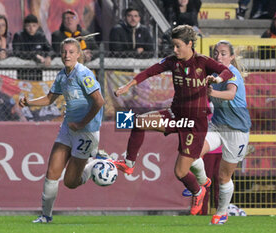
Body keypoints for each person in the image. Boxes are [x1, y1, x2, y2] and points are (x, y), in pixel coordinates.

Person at [113, 25, 233, 216]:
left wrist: (217, 80)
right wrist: (128, 85)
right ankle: (129, 163)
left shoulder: (202, 61)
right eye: (173, 46)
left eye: (178, 46)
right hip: (175, 115)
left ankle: (198, 190)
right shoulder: (172, 62)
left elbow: (227, 71)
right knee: (137, 122)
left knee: (180, 172)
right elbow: (149, 72)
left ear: (189, 44)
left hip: (195, 123)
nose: (175, 50)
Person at [19, 38, 104, 223]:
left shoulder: (84, 74)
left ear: (78, 54)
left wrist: (82, 124)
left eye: (71, 52)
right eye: (64, 52)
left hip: (86, 131)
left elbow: (99, 102)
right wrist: (29, 102)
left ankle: (94, 164)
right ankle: (45, 216)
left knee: (70, 182)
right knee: (52, 172)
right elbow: (50, 99)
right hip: (68, 128)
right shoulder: (62, 75)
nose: (67, 55)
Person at [197, 40, 251, 224]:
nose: (218, 57)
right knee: (193, 152)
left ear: (232, 57)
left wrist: (211, 93)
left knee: (223, 176)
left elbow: (230, 94)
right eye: (216, 53)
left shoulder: (233, 74)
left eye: (223, 53)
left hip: (237, 130)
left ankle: (221, 213)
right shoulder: (213, 73)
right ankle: (203, 184)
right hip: (218, 126)